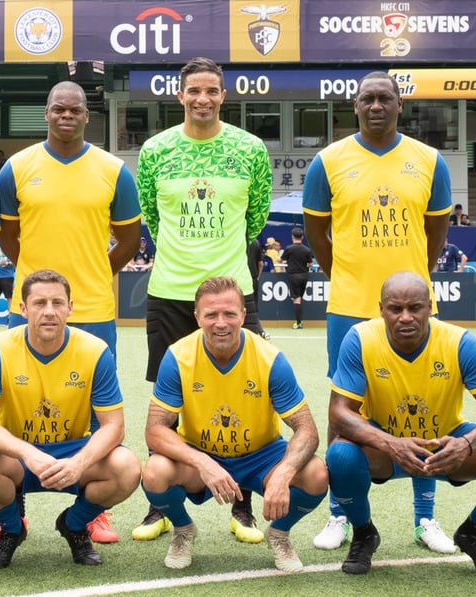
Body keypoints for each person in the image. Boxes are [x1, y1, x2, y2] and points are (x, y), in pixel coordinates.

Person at [302, 71, 453, 553]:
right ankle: (339, 513)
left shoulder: (430, 160)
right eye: (367, 98)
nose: (376, 106)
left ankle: (425, 518)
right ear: (355, 105)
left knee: (423, 405)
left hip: (412, 308)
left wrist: (412, 282)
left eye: (385, 98)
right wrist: (347, 276)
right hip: (349, 304)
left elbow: (436, 234)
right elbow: (317, 235)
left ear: (399, 105)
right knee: (342, 407)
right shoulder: (328, 161)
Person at [0, 80, 141, 544]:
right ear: (46, 113)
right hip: (31, 311)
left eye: (74, 110)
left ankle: (92, 508)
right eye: (58, 109)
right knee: (16, 404)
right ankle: (12, 502)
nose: (66, 115)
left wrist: (95, 273)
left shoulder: (113, 170)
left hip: (94, 307)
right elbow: (8, 238)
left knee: (96, 411)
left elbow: (130, 241)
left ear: (86, 115)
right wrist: (39, 290)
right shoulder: (17, 168)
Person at [134, 56, 272, 543]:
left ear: (223, 95)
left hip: (233, 296)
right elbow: (151, 217)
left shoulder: (250, 149)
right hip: (170, 292)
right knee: (166, 406)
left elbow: (254, 220)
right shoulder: (154, 150)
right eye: (194, 90)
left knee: (245, 399)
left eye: (212, 90)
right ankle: (162, 505)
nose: (203, 99)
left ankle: (243, 506)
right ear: (180, 95)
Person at [326, 272, 476, 576]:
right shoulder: (360, 338)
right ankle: (363, 533)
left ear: (430, 306)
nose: (405, 317)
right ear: (381, 309)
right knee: (340, 456)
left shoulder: (459, 342)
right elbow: (339, 413)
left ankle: (474, 533)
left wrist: (467, 444)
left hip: (445, 445)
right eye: (395, 309)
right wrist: (389, 443)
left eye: (415, 307)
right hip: (386, 448)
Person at [142, 276, 326, 572]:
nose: (221, 323)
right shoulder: (178, 356)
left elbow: (307, 428)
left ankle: (279, 533)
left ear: (243, 315)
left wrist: (284, 473)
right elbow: (154, 430)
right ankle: (183, 530)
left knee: (316, 474)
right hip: (202, 451)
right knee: (154, 472)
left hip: (260, 457)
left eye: (229, 313)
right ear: (197, 317)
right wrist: (201, 461)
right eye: (211, 314)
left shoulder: (270, 359)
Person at [0, 269, 141, 569]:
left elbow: (114, 426)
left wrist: (79, 463)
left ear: (70, 308)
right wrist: (28, 453)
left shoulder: (95, 351)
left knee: (127, 467)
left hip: (72, 451)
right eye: (40, 303)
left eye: (58, 303)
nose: (49, 312)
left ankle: (74, 525)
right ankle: (11, 529)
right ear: (23, 308)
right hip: (18, 456)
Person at [282, 227, 314, 329]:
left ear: (292, 237)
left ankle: (299, 323)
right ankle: (299, 322)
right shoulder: (307, 250)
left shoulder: (289, 248)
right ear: (302, 237)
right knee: (299, 298)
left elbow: (280, 259)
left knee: (297, 299)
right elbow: (310, 264)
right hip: (304, 276)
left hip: (293, 276)